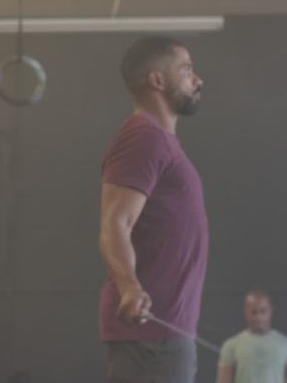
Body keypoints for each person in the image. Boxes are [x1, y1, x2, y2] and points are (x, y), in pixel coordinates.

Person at [98, 36, 209, 383]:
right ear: (157, 80)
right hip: (151, 336)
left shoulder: (160, 140)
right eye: (187, 70)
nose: (198, 79)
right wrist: (130, 287)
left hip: (166, 333)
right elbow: (114, 224)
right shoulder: (144, 137)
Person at [217, 290, 287, 383]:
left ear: (270, 311)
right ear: (246, 312)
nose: (258, 317)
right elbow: (223, 380)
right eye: (254, 312)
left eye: (263, 311)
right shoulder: (231, 345)